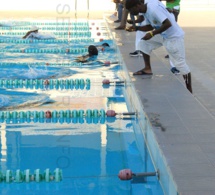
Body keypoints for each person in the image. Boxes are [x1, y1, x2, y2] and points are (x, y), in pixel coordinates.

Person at [125, 0, 192, 93]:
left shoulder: (152, 9)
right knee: (143, 43)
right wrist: (137, 28)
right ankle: (147, 69)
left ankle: (189, 91)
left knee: (180, 64)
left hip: (174, 37)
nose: (131, 12)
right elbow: (151, 26)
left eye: (131, 9)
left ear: (138, 4)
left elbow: (168, 23)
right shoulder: (145, 10)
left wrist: (152, 34)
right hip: (163, 35)